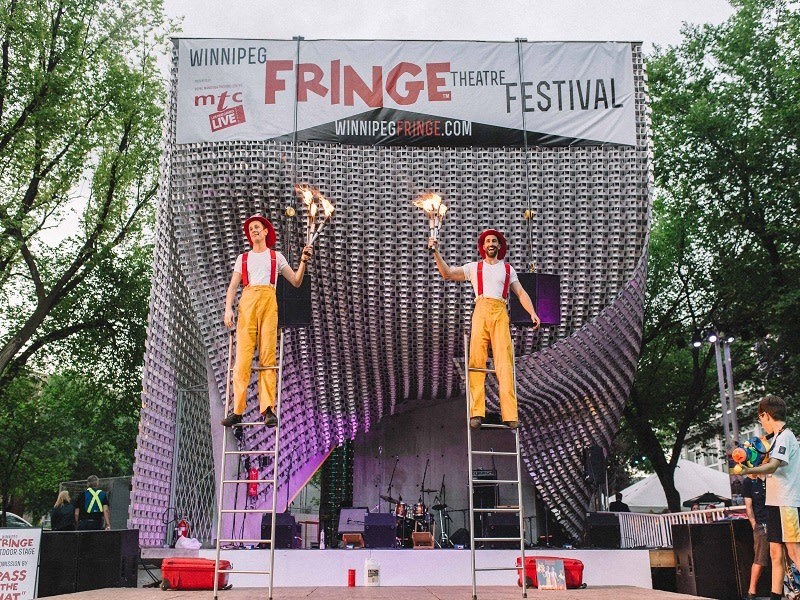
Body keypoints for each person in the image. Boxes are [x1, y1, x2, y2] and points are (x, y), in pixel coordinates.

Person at [429, 230, 540, 429]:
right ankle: (476, 413)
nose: (491, 243)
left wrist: (532, 312)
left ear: (499, 246)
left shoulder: (507, 269)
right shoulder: (474, 267)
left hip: (500, 311)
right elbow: (447, 273)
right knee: (476, 361)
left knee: (504, 362)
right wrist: (436, 252)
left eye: (494, 241)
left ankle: (510, 413)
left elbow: (521, 292)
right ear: (483, 246)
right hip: (481, 309)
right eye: (488, 240)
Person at [222, 214, 313, 427]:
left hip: (268, 302)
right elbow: (233, 286)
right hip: (248, 302)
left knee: (267, 356)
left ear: (265, 232)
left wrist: (303, 261)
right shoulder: (242, 258)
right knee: (242, 359)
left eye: (257, 227)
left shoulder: (276, 257)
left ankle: (268, 408)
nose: (253, 230)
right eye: (251, 228)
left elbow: (296, 281)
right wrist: (228, 309)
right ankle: (237, 411)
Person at [739, 395, 800, 600]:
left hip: (787, 503)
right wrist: (748, 460)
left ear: (765, 414)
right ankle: (776, 596)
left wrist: (748, 470)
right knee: (776, 555)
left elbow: (773, 466)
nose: (761, 424)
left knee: (794, 553)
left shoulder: (786, 436)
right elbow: (766, 466)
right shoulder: (774, 440)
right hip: (774, 503)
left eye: (760, 419)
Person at [742, 467, 769, 600]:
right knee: (760, 558)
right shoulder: (748, 482)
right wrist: (754, 525)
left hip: (776, 522)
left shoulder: (770, 478)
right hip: (761, 524)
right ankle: (751, 592)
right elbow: (749, 506)